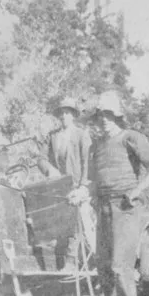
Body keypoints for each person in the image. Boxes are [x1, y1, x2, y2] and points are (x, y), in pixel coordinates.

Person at [88, 90, 149, 296]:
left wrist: (137, 189)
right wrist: (83, 194)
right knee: (102, 264)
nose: (104, 120)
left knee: (120, 265)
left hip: (126, 207)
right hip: (102, 207)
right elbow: (94, 180)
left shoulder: (130, 137)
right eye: (101, 115)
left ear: (118, 117)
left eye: (109, 115)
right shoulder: (97, 146)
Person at [37, 97, 96, 273]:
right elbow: (41, 158)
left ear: (73, 115)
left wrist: (83, 187)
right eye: (61, 113)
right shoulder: (53, 136)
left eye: (67, 112)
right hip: (57, 187)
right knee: (58, 225)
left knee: (76, 220)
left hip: (77, 186)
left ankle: (72, 261)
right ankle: (58, 264)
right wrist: (50, 170)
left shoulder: (81, 135)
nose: (64, 116)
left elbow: (88, 163)